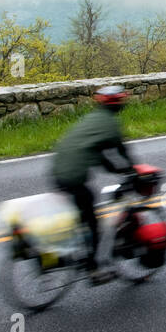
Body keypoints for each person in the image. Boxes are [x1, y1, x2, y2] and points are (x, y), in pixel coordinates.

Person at [50, 84, 136, 279]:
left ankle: (77, 247)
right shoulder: (110, 124)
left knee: (81, 211)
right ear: (118, 104)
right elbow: (121, 153)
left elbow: (99, 156)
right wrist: (132, 171)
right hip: (73, 177)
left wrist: (116, 168)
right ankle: (92, 268)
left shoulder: (91, 119)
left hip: (57, 171)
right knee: (92, 219)